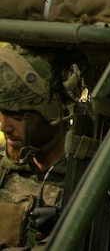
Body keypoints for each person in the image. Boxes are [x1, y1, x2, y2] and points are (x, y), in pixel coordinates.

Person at [0, 46, 74, 248]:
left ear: (51, 113)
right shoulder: (4, 168)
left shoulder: (89, 178)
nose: (4, 126)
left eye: (17, 116)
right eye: (2, 112)